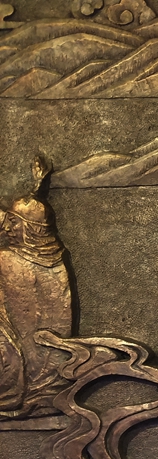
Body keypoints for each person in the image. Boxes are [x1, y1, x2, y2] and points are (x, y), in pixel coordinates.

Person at [0, 156, 72, 418]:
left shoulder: (6, 260)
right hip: (53, 377)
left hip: (18, 374)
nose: (6, 226)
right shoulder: (56, 261)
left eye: (13, 222)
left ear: (30, 229)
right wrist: (35, 190)